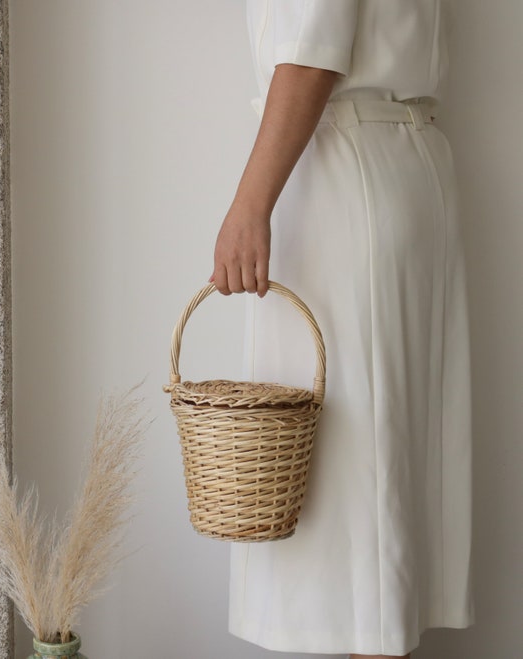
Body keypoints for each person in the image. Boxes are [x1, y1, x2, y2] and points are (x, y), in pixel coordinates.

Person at [212, 2, 473, 658]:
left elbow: (311, 50)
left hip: (342, 176)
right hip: (394, 163)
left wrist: (250, 203)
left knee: (355, 521)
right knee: (379, 499)